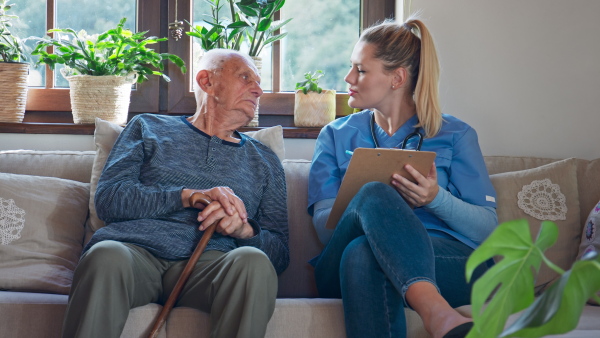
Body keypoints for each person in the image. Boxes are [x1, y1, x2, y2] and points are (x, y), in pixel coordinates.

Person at [62, 49, 289, 338]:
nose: (258, 90)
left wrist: (244, 230)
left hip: (212, 265)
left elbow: (280, 253)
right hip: (135, 255)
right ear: (206, 81)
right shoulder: (148, 128)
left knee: (254, 263)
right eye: (245, 78)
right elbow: (109, 199)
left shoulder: (265, 160)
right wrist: (186, 196)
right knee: (105, 255)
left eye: (258, 83)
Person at [307, 18, 498, 338]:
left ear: (397, 78)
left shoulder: (456, 134)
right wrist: (369, 201)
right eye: (351, 67)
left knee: (363, 253)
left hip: (451, 263)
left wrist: (436, 198)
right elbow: (326, 233)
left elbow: (487, 230)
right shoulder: (335, 136)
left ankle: (432, 306)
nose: (348, 78)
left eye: (362, 70)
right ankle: (437, 313)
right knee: (372, 196)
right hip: (337, 265)